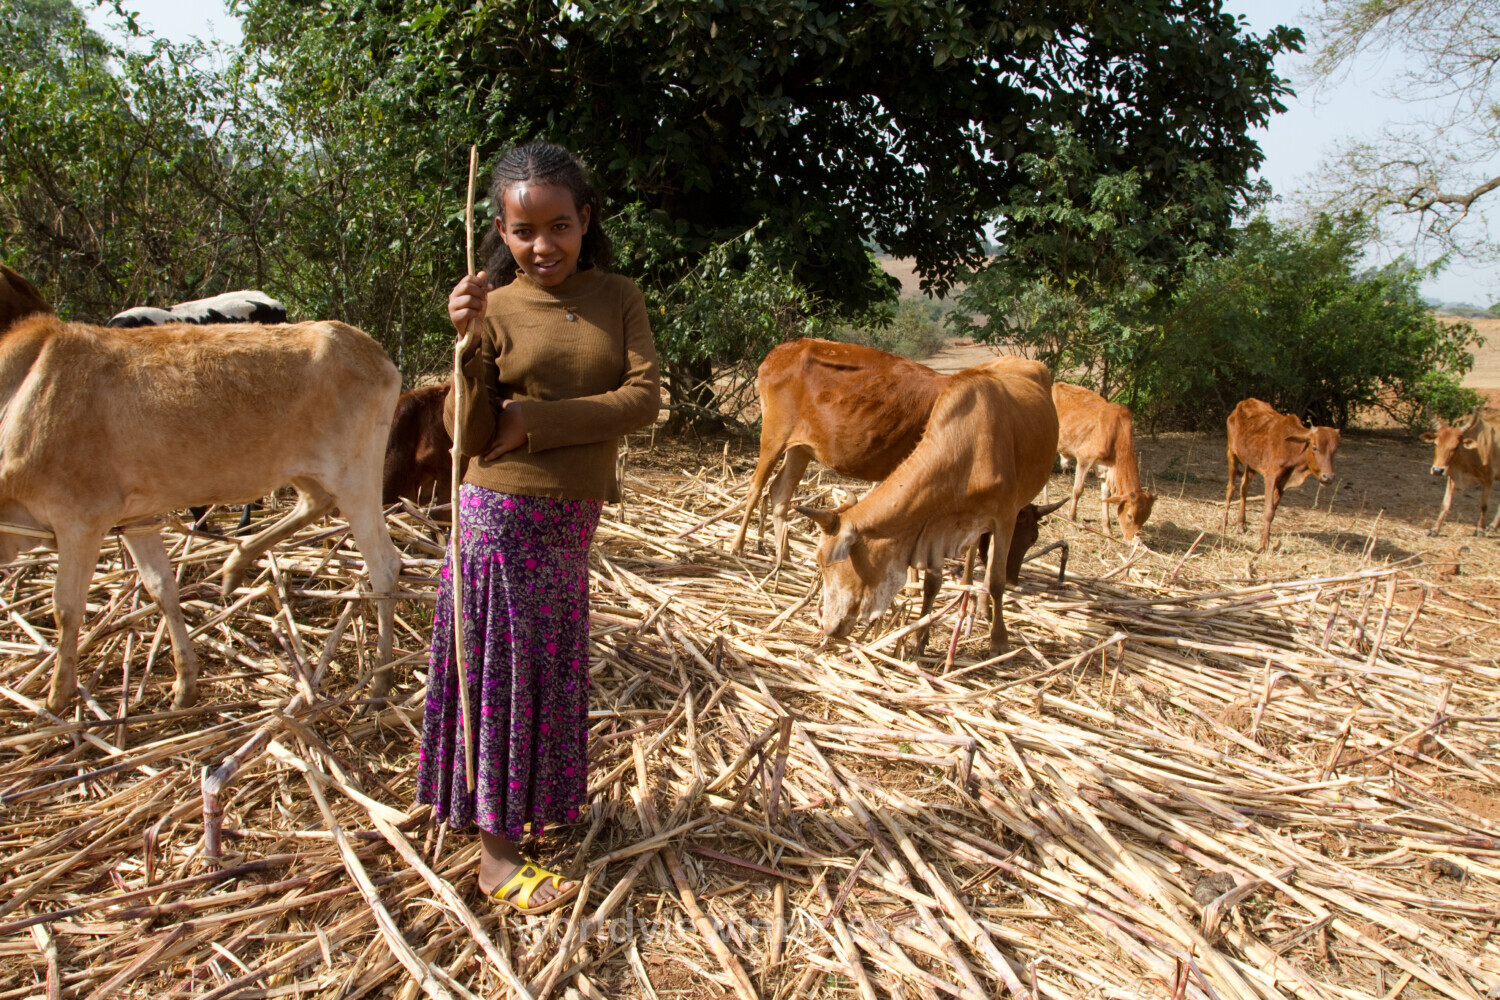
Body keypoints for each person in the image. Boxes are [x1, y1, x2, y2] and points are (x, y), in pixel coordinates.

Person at [415, 141, 660, 914]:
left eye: (559, 226)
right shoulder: (490, 306)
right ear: (499, 229)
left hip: (567, 526)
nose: (542, 247)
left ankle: (514, 817)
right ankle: (495, 859)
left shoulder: (618, 297)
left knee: (542, 674)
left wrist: (539, 421)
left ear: (586, 220)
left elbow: (643, 399)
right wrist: (465, 348)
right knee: (500, 676)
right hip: (500, 518)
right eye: (524, 232)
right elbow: (470, 430)